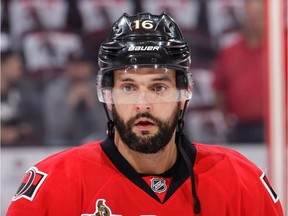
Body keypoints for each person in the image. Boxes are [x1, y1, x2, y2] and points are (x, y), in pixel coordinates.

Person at [7, 12, 283, 215]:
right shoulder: (52, 184)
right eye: (128, 88)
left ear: (183, 96)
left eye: (159, 87)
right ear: (108, 95)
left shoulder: (240, 180)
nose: (143, 104)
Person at [212, 0, 265, 143]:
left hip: (275, 125)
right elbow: (219, 89)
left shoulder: (281, 49)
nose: (253, 21)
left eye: (258, 16)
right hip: (240, 126)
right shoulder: (230, 51)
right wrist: (226, 120)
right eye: (250, 15)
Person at [43, 50, 106, 146]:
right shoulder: (56, 89)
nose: (77, 69)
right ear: (67, 67)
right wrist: (70, 104)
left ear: (90, 67)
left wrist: (92, 104)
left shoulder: (101, 88)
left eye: (82, 64)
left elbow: (107, 127)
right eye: (73, 64)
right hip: (63, 141)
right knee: (57, 140)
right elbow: (55, 129)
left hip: (93, 140)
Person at [1, 50, 43, 146]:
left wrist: (17, 131)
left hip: (22, 149)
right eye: (16, 67)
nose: (20, 71)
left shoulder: (25, 92)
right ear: (2, 66)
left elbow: (37, 124)